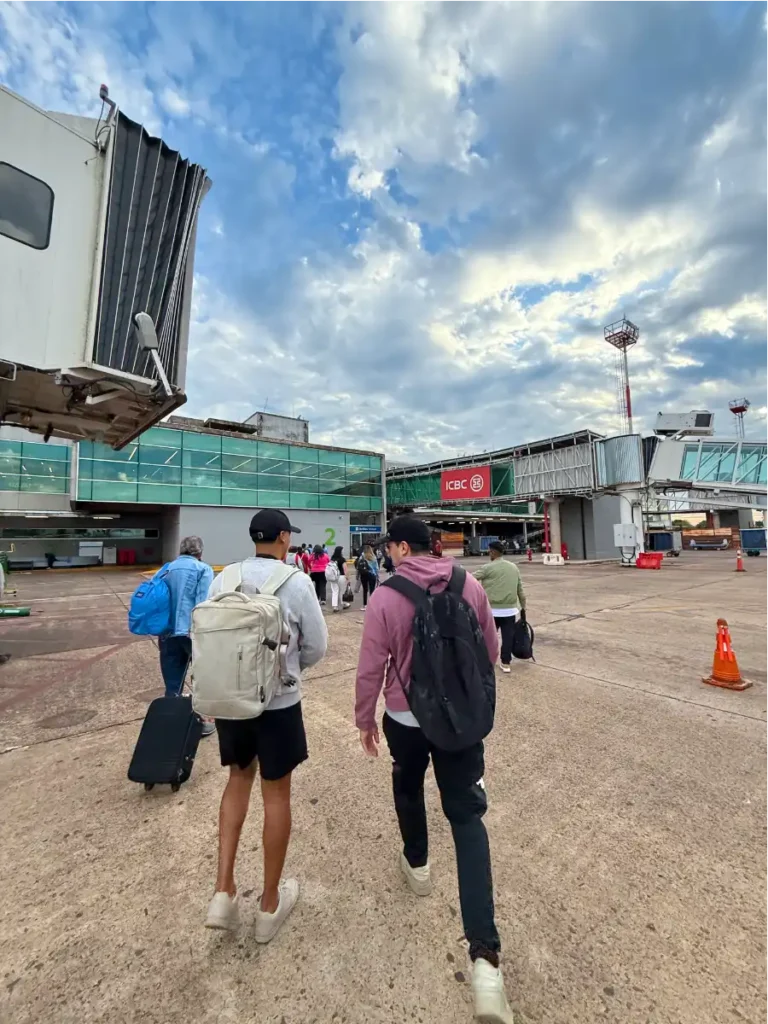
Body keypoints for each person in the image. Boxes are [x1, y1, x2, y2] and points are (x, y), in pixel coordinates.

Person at [354, 515, 513, 1024]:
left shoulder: (385, 596)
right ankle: (485, 961)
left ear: (403, 547)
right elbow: (490, 650)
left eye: (390, 547)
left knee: (408, 783)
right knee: (467, 818)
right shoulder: (469, 584)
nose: (388, 555)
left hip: (404, 716)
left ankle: (418, 865)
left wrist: (364, 719)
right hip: (460, 721)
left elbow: (370, 666)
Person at [205, 509, 328, 939]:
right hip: (278, 705)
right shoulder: (294, 582)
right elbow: (317, 645)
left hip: (231, 702)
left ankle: (223, 891)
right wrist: (289, 668)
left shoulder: (223, 578)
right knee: (276, 796)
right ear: (281, 538)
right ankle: (269, 905)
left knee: (237, 781)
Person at [159, 536, 215, 735]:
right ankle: (203, 720)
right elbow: (203, 604)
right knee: (203, 675)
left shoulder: (165, 569)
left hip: (166, 631)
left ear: (180, 550)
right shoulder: (203, 570)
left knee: (173, 679)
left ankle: (172, 720)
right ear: (200, 553)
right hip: (192, 632)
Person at [473, 541, 526, 674]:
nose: (489, 553)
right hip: (510, 610)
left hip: (491, 610)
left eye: (490, 551)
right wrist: (523, 608)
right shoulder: (514, 567)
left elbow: (470, 579)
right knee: (507, 637)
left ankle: (484, 661)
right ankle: (506, 663)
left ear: (493, 552)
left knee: (487, 637)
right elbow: (520, 590)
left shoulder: (487, 568)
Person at [356, 544, 379, 610]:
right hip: (372, 575)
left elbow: (358, 566)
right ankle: (372, 605)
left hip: (364, 575)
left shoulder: (362, 556)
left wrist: (357, 575)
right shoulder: (373, 557)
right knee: (372, 590)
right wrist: (377, 575)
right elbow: (376, 567)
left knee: (365, 590)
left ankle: (365, 605)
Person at [328, 545, 348, 612]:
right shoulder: (342, 559)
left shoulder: (332, 559)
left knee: (334, 591)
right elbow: (345, 570)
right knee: (341, 591)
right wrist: (348, 578)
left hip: (333, 577)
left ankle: (335, 606)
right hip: (341, 576)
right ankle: (343, 603)